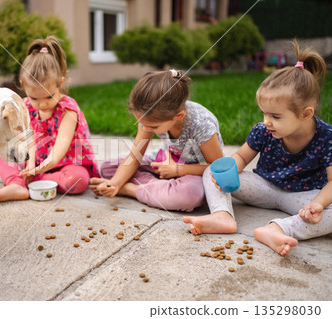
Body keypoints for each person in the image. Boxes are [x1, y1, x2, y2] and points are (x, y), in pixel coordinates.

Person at [183, 40, 332, 256]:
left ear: (306, 114)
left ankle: (279, 229)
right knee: (211, 169)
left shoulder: (327, 137)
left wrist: (317, 205)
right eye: (264, 113)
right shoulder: (263, 130)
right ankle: (222, 216)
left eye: (275, 116)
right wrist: (229, 168)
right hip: (263, 187)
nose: (267, 121)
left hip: (302, 197)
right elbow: (242, 157)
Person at [89, 70, 224, 211]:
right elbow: (135, 156)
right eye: (141, 122)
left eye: (153, 127)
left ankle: (130, 190)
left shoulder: (201, 124)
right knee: (108, 168)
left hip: (194, 171)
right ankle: (162, 190)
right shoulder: (149, 116)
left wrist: (177, 170)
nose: (146, 128)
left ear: (178, 116)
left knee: (190, 196)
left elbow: (217, 166)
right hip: (165, 162)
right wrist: (115, 183)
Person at [0, 36, 98, 202]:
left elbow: (61, 147)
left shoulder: (68, 109)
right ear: (24, 88)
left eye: (49, 97)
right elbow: (28, 139)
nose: (42, 104)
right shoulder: (26, 107)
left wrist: (37, 171)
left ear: (60, 83)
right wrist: (30, 165)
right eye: (34, 99)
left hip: (66, 163)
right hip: (36, 161)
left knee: (79, 180)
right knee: (1, 156)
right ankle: (16, 185)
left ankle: (26, 181)